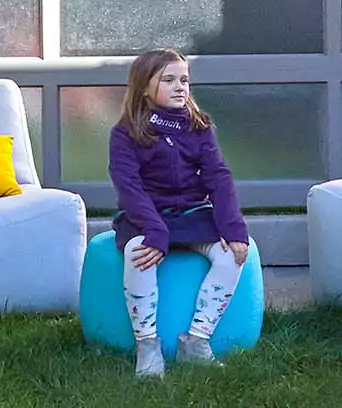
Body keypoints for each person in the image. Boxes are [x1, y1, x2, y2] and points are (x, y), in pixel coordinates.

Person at [107, 47, 251, 379]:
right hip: (146, 217)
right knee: (138, 253)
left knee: (234, 255)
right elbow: (129, 187)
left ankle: (196, 341)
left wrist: (233, 229)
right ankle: (147, 345)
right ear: (144, 86)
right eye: (168, 80)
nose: (179, 87)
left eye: (184, 80)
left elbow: (218, 177)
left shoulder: (198, 127)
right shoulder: (125, 134)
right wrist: (154, 232)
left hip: (192, 215)